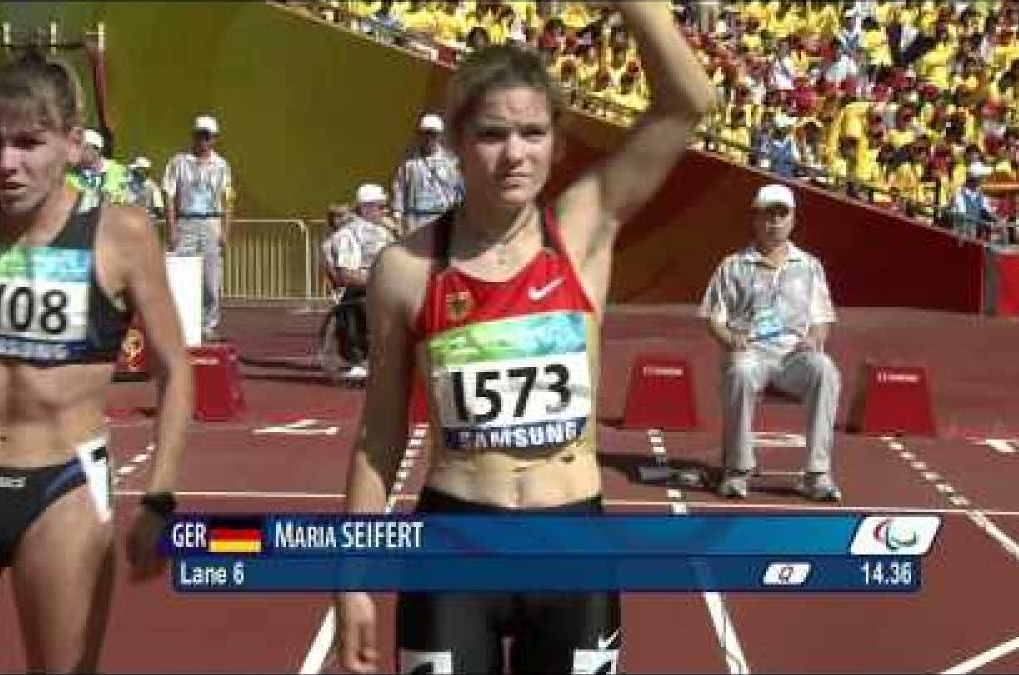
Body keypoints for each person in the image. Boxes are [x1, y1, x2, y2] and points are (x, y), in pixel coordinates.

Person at [333, 2, 716, 671]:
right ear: (455, 139)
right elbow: (380, 438)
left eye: (534, 133)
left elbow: (687, 104)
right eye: (492, 133)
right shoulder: (405, 269)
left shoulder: (585, 228)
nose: (516, 153)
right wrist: (351, 578)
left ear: (558, 143)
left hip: (571, 545)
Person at [0, 51, 191, 671]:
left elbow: (175, 368)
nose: (6, 162)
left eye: (29, 142)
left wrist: (159, 497)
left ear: (73, 144)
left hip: (61, 489)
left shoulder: (122, 234)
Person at [700, 183, 843, 503]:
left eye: (782, 213)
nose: (775, 221)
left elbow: (822, 318)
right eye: (768, 213)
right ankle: (738, 470)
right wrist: (731, 340)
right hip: (751, 351)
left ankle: (817, 474)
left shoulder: (810, 266)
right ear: (756, 218)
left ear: (793, 219)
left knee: (825, 369)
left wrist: (814, 339)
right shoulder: (733, 265)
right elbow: (712, 317)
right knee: (739, 371)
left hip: (794, 354)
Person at [162, 114, 234, 342]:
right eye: (200, 135)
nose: (203, 140)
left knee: (212, 280)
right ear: (193, 136)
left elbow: (228, 197)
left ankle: (209, 325)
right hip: (186, 222)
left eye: (208, 136)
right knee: (179, 275)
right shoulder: (178, 162)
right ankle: (178, 324)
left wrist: (225, 229)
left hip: (212, 221)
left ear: (214, 139)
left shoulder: (222, 165)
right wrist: (171, 228)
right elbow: (169, 195)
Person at [319, 183, 398, 381]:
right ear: (366, 208)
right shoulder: (348, 235)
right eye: (380, 206)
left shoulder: (384, 231)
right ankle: (361, 360)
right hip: (365, 294)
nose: (385, 211)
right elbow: (347, 275)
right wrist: (384, 281)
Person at [390, 112, 464, 234]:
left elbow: (459, 192)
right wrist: (398, 218)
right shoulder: (410, 164)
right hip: (416, 221)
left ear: (440, 135)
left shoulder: (451, 162)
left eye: (433, 134)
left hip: (443, 219)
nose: (429, 138)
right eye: (426, 133)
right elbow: (399, 190)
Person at [65, 128, 131, 205]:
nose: (78, 152)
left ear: (97, 150)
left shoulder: (120, 172)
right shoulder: (69, 178)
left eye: (84, 148)